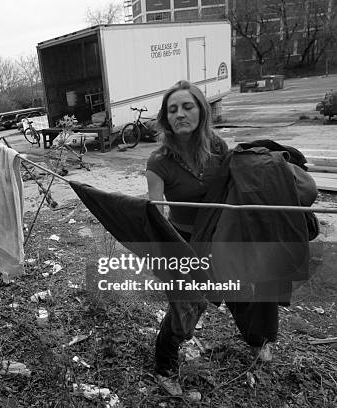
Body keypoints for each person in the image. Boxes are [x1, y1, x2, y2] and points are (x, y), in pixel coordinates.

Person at [145, 80, 253, 396]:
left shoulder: (218, 148)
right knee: (183, 307)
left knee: (207, 299)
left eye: (187, 106)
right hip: (180, 241)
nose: (180, 114)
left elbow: (239, 186)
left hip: (215, 239)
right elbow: (156, 211)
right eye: (173, 109)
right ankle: (164, 367)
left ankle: (250, 337)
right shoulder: (158, 161)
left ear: (201, 111)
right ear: (166, 117)